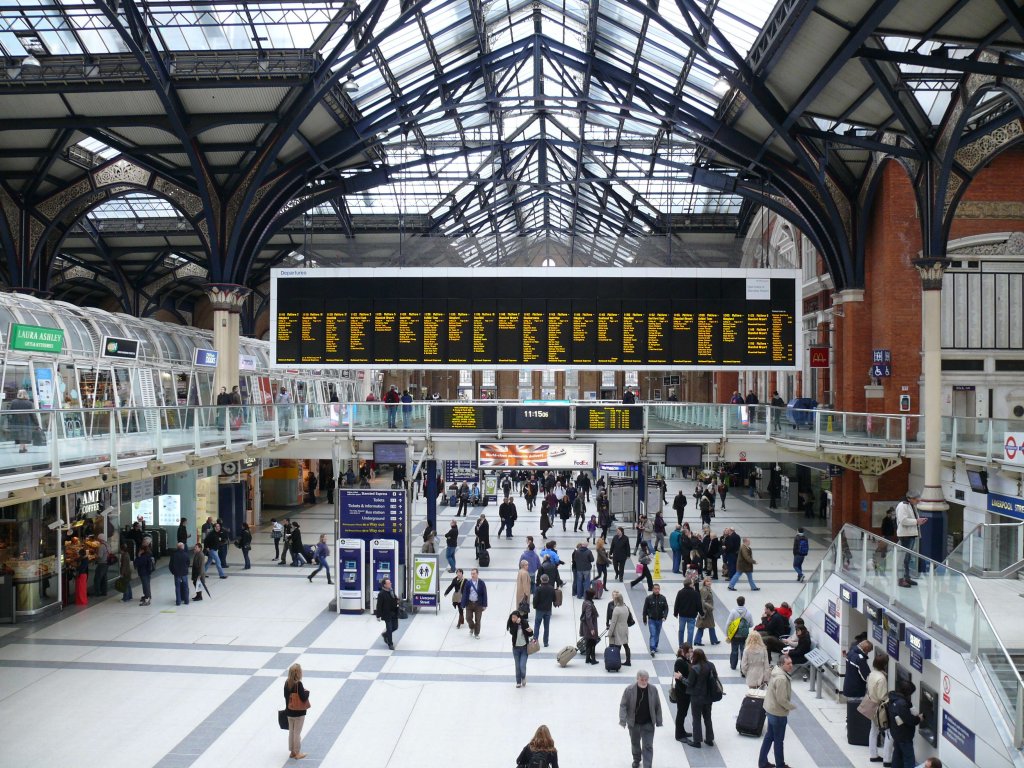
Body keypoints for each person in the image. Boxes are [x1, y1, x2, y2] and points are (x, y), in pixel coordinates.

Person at [618, 669, 662, 768]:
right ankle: (637, 760)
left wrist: (659, 720)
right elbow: (623, 705)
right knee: (635, 744)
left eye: (646, 680)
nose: (644, 682)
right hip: (634, 723)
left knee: (648, 746)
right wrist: (622, 720)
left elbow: (657, 705)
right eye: (642, 679)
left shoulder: (653, 690)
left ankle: (647, 765)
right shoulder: (629, 690)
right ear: (637, 679)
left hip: (648, 723)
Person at [759, 654, 797, 768]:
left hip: (771, 710)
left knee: (769, 737)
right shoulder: (781, 678)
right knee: (778, 740)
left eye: (791, 663)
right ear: (781, 664)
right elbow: (781, 699)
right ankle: (780, 765)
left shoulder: (776, 671)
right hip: (778, 713)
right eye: (788, 663)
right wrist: (791, 706)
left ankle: (762, 762)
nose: (791, 665)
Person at [684, 647, 716, 748]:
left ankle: (697, 741)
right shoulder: (711, 665)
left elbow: (689, 683)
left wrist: (680, 678)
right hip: (708, 697)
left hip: (697, 697)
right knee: (708, 718)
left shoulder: (695, 668)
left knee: (696, 719)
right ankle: (709, 739)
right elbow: (715, 678)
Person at [865, 652, 892, 765]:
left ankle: (873, 755)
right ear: (884, 665)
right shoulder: (882, 678)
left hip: (870, 703)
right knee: (889, 732)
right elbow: (882, 697)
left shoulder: (872, 673)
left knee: (873, 731)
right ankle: (887, 759)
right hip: (879, 708)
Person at [888, 678, 921, 768]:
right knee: (909, 759)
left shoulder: (893, 698)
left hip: (896, 732)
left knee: (897, 756)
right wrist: (919, 718)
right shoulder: (901, 704)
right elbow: (910, 720)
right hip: (904, 735)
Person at [896, 491, 926, 587]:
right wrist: (917, 521)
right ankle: (900, 579)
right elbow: (903, 520)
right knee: (903, 559)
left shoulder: (911, 505)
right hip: (905, 536)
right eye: (916, 499)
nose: (918, 501)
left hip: (911, 535)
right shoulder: (903, 506)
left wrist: (918, 522)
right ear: (910, 498)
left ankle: (907, 577)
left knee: (907, 558)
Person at [283, 663, 309, 760]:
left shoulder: (287, 683)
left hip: (289, 712)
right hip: (298, 713)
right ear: (298, 673)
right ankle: (297, 753)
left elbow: (285, 697)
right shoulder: (298, 684)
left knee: (291, 732)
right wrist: (307, 692)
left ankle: (292, 752)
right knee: (297, 733)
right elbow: (303, 698)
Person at [507, 610, 534, 687]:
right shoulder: (512, 624)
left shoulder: (524, 622)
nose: (513, 619)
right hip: (516, 649)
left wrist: (531, 631)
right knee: (517, 666)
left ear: (518, 617)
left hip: (524, 648)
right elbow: (512, 632)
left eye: (514, 617)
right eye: (512, 617)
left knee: (522, 666)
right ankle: (518, 682)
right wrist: (516, 624)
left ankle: (523, 677)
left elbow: (530, 634)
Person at [726, 595, 754, 669]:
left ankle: (733, 665)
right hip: (744, 635)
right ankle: (743, 666)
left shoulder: (733, 612)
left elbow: (728, 623)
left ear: (737, 602)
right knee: (743, 651)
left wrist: (727, 634)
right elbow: (751, 624)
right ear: (744, 602)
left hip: (735, 635)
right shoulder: (748, 612)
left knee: (734, 650)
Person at [672, 643, 693, 741]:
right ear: (684, 651)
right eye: (689, 651)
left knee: (683, 713)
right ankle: (679, 735)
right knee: (681, 713)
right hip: (682, 692)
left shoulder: (685, 660)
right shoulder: (680, 662)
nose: (691, 653)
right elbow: (678, 679)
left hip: (685, 691)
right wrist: (685, 691)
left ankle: (682, 731)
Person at [673, 578, 703, 647]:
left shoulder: (680, 592)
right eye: (692, 583)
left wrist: (675, 613)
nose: (693, 584)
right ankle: (689, 646)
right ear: (690, 584)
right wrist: (701, 613)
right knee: (690, 631)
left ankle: (681, 645)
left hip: (682, 615)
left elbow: (677, 603)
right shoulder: (695, 593)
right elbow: (699, 604)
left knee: (681, 630)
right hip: (692, 615)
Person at [642, 583, 669, 655]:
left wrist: (664, 616)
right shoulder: (648, 598)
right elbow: (645, 609)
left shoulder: (663, 598)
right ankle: (652, 648)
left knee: (657, 634)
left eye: (658, 589)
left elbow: (666, 608)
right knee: (653, 634)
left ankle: (655, 646)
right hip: (651, 620)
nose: (657, 590)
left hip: (659, 620)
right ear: (653, 589)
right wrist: (644, 619)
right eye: (655, 589)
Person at [460, 567, 488, 638]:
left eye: (474, 573)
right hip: (469, 603)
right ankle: (472, 627)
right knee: (468, 618)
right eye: (471, 574)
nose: (472, 575)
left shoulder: (481, 583)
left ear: (477, 574)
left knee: (478, 619)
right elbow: (465, 594)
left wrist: (484, 605)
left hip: (478, 604)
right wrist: (463, 604)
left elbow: (484, 594)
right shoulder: (468, 583)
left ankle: (476, 633)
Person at [374, 577, 400, 649]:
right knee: (389, 628)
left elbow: (394, 599)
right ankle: (390, 644)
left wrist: (397, 600)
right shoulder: (381, 594)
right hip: (387, 614)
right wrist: (378, 615)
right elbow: (379, 605)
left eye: (390, 582)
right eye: (389, 583)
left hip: (394, 612)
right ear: (384, 585)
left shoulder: (391, 591)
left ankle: (385, 635)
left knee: (395, 627)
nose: (390, 583)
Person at [608, 591, 633, 666]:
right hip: (625, 628)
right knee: (626, 645)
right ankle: (628, 661)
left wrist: (610, 633)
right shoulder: (626, 607)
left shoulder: (616, 609)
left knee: (617, 646)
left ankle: (616, 662)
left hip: (618, 629)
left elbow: (613, 622)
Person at [694, 577, 720, 646]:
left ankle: (713, 640)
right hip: (706, 611)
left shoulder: (707, 589)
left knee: (708, 625)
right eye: (707, 581)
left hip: (707, 611)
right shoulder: (704, 590)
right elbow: (703, 601)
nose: (709, 582)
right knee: (704, 626)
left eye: (710, 581)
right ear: (704, 582)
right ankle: (698, 641)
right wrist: (710, 607)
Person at [533, 574, 556, 646]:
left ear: (541, 580)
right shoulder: (551, 588)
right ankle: (545, 642)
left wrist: (535, 606)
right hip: (548, 610)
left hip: (539, 610)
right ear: (548, 580)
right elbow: (554, 599)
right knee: (546, 627)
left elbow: (535, 599)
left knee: (537, 625)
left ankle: (535, 641)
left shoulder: (538, 589)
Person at [579, 588, 600, 664]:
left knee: (588, 643)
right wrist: (592, 629)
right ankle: (593, 659)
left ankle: (588, 658)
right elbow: (588, 617)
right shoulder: (589, 605)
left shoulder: (585, 602)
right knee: (593, 643)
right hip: (590, 626)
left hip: (585, 626)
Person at [134, 542, 155, 606]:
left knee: (145, 585)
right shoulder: (149, 554)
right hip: (148, 572)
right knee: (147, 585)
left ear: (142, 550)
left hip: (144, 572)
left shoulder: (143, 556)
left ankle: (147, 598)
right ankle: (148, 596)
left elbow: (136, 563)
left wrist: (138, 555)